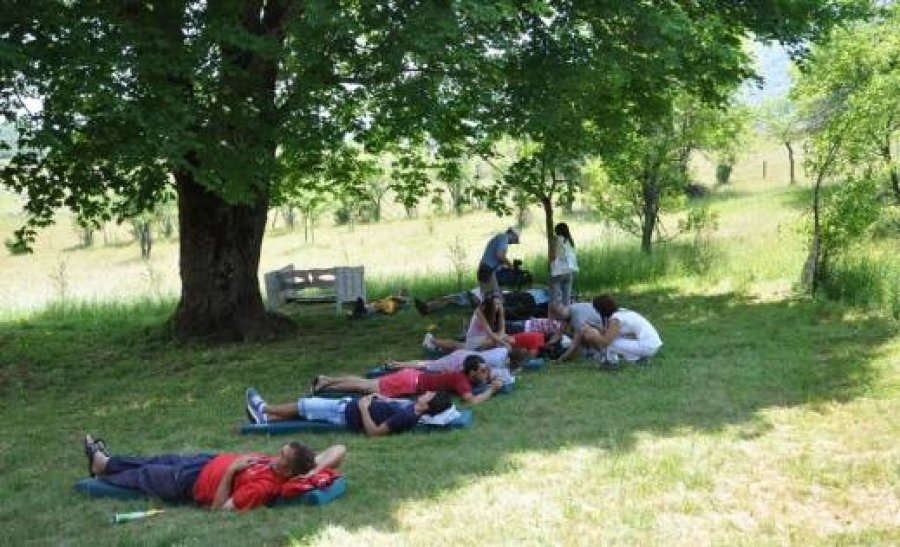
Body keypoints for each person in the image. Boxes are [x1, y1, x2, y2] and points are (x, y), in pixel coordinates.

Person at [82, 434, 346, 511]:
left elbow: (221, 510)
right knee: (152, 460)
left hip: (190, 482)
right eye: (280, 451)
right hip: (203, 463)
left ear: (288, 468)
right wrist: (312, 472)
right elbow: (339, 448)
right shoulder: (293, 467)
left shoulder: (263, 487)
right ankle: (103, 462)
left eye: (282, 457)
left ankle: (103, 475)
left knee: (145, 474)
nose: (276, 457)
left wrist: (231, 472)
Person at [244, 388, 453, 436]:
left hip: (346, 414)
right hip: (346, 406)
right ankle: (266, 418)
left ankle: (263, 408)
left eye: (429, 395)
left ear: (427, 405)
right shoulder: (410, 406)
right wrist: (377, 398)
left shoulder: (407, 416)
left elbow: (375, 432)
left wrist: (363, 407)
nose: (426, 392)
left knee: (305, 405)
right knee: (307, 411)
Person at [311, 355, 503, 404]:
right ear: (471, 373)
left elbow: (485, 378)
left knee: (365, 383)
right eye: (483, 371)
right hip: (410, 383)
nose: (486, 373)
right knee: (365, 387)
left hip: (412, 378)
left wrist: (490, 380)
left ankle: (326, 379)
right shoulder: (461, 380)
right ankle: (325, 383)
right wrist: (491, 390)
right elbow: (471, 401)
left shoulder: (465, 375)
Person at [386, 346, 531, 385]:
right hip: (460, 361)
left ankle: (396, 363)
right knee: (428, 366)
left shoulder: (504, 351)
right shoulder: (498, 361)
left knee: (429, 364)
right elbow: (488, 375)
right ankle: (395, 365)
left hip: (466, 356)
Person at [583, 295, 663, 363]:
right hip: (652, 344)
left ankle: (611, 363)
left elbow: (606, 341)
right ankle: (638, 359)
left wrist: (594, 334)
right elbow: (610, 333)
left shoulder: (615, 319)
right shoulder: (622, 311)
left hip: (647, 346)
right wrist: (597, 329)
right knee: (616, 340)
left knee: (611, 344)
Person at [424, 296, 507, 351]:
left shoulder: (499, 311)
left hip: (484, 337)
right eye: (496, 304)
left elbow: (502, 329)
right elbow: (489, 332)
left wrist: (501, 337)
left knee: (503, 338)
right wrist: (503, 342)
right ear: (489, 305)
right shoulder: (479, 311)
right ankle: (431, 340)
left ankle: (433, 341)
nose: (498, 306)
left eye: (499, 304)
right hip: (474, 338)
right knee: (457, 346)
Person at [477, 227, 520, 301]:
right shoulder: (503, 238)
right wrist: (510, 266)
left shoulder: (499, 238)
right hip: (487, 270)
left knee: (488, 298)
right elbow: (499, 255)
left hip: (484, 269)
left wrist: (503, 266)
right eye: (514, 239)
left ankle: (487, 311)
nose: (512, 242)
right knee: (497, 299)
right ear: (513, 234)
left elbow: (496, 258)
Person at [549, 222, 579, 306]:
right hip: (569, 271)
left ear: (557, 231)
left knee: (554, 298)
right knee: (566, 298)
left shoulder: (556, 239)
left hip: (558, 270)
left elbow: (553, 255)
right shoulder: (570, 241)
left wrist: (551, 266)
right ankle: (566, 316)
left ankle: (554, 317)